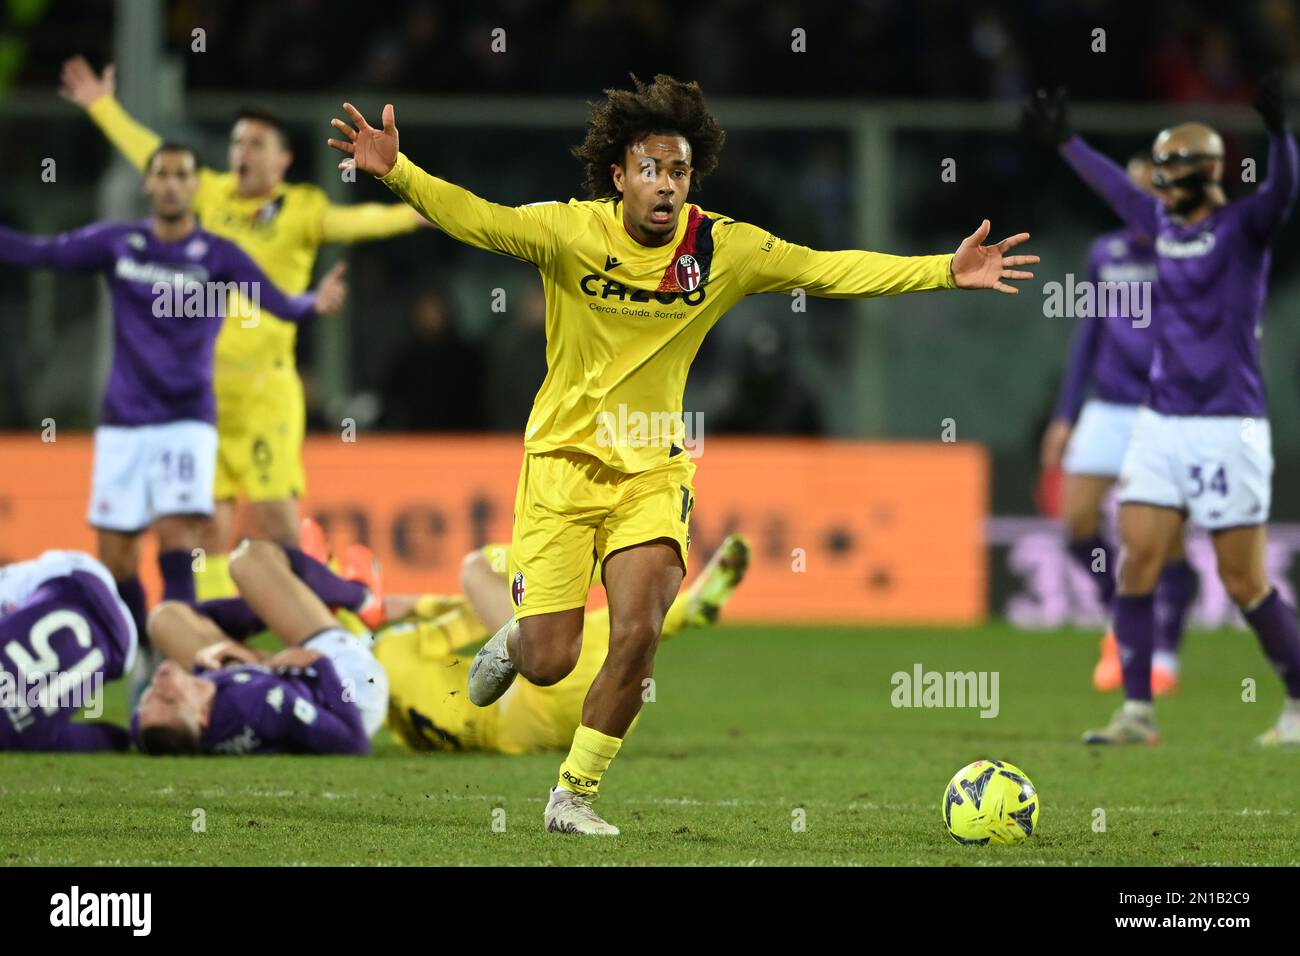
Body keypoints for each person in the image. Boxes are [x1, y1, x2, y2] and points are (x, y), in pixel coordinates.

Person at [328, 73, 1039, 833]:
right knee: (548, 661)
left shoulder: (721, 248)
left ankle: (572, 795)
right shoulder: (568, 233)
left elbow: (825, 268)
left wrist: (944, 270)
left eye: (678, 172)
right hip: (562, 469)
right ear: (618, 176)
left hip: (654, 471)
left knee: (639, 630)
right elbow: (478, 220)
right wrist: (397, 172)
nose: (666, 186)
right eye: (650, 170)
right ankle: (516, 633)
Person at [61, 56, 427, 594]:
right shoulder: (206, 195)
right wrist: (102, 106)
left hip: (264, 394)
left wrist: (420, 207)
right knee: (206, 531)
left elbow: (361, 222)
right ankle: (209, 647)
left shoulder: (302, 209)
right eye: (236, 143)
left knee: (279, 525)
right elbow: (147, 151)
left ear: (282, 159)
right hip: (203, 397)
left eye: (256, 144)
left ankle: (331, 631)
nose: (242, 153)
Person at [0, 143, 344, 697]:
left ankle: (179, 661)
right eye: (161, 174)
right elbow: (43, 254)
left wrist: (311, 303)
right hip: (123, 422)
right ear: (148, 186)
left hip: (187, 420)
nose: (171, 184)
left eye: (182, 175)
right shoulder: (120, 244)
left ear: (193, 187)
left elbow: (275, 301)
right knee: (115, 557)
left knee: (176, 538)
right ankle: (140, 650)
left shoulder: (217, 255)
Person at [1023, 74, 1300, 746]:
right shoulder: (1159, 227)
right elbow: (1116, 190)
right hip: (1161, 423)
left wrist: (1282, 136)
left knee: (1244, 581)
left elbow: (1283, 192)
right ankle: (1138, 712)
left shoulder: (1243, 228)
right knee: (1138, 562)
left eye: (1175, 165)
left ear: (1206, 171)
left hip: (1227, 425)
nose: (1162, 179)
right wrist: (1067, 144)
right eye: (1161, 166)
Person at [144, 526, 749, 758]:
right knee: (480, 576)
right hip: (572, 703)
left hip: (529, 728)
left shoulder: (398, 686)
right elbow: (453, 607)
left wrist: (241, 651)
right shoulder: (385, 651)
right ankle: (641, 581)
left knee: (560, 635)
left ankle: (683, 607)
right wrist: (345, 598)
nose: (158, 688)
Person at [1037, 152, 1193, 696]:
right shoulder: (1105, 253)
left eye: (1145, 188)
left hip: (1165, 410)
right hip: (1108, 405)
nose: (1132, 198)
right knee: (1076, 521)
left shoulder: (1187, 253)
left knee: (1165, 541)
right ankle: (1119, 616)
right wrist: (1065, 414)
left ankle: (1165, 655)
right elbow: (1090, 331)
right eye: (1127, 188)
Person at [133, 538, 387, 755]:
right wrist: (318, 663)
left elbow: (145, 729)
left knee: (164, 620)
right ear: (202, 719)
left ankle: (298, 594)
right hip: (349, 691)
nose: (159, 683)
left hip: (273, 678)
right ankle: (361, 598)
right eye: (168, 699)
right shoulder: (260, 703)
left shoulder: (168, 724)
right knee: (249, 559)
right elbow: (355, 743)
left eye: (147, 699)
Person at [0, 550, 138, 752]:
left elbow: (85, 738)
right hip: (79, 586)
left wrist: (116, 739)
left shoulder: (12, 733)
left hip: (115, 644)